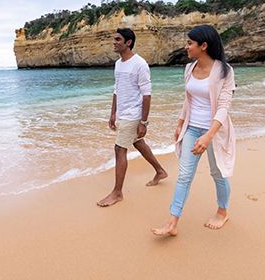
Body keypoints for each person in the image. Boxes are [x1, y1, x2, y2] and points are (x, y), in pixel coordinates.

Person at [151, 24, 236, 236]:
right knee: (184, 176)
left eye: (190, 43)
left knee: (218, 174)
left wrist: (208, 135)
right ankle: (172, 222)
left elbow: (224, 106)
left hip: (215, 131)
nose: (186, 46)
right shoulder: (189, 69)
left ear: (204, 46)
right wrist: (180, 123)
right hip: (191, 129)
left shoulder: (225, 71)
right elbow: (188, 100)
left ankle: (222, 211)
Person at [97, 28, 168, 207]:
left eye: (118, 39)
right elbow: (116, 90)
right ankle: (160, 171)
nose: (114, 42)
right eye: (114, 39)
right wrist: (113, 113)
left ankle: (117, 193)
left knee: (119, 149)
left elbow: (147, 94)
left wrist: (143, 122)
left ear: (128, 42)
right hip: (122, 113)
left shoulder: (140, 64)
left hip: (133, 114)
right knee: (138, 142)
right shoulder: (118, 64)